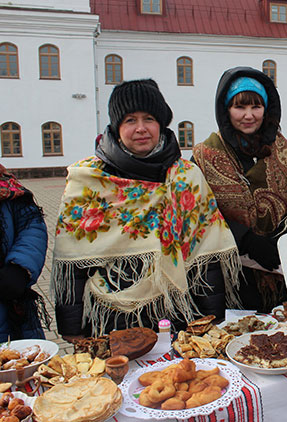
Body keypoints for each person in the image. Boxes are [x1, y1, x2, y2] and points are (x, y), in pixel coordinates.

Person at [52, 79, 240, 338]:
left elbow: (206, 258)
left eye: (149, 119)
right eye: (130, 120)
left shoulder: (186, 177)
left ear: (161, 124)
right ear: (116, 126)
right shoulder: (88, 180)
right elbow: (72, 265)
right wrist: (72, 330)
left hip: (177, 314)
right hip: (109, 318)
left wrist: (213, 318)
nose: (140, 128)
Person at [192, 67, 287, 313]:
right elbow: (198, 212)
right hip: (232, 277)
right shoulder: (205, 156)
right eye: (239, 107)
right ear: (225, 109)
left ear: (267, 108)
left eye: (256, 106)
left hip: (284, 270)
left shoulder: (285, 151)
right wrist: (246, 239)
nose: (249, 115)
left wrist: (285, 236)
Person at [0, 166, 48, 341]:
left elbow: (31, 226)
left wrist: (20, 267)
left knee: (20, 355)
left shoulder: (8, 186)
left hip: (10, 301)